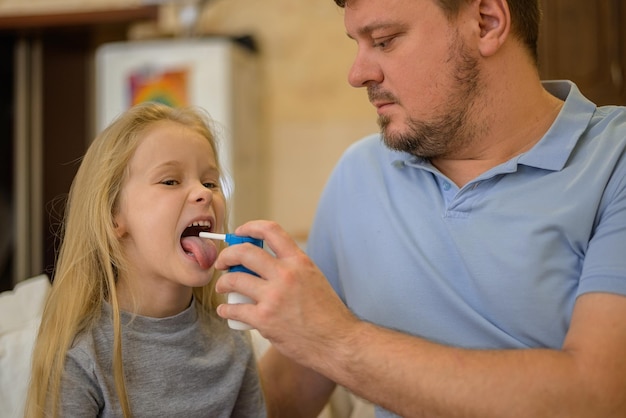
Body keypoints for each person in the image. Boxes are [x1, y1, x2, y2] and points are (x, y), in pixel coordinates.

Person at [213, 0, 626, 417]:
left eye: (385, 41)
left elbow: (598, 396)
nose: (358, 75)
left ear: (486, 23)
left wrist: (339, 341)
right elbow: (290, 388)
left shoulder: (615, 162)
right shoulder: (360, 173)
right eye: (357, 44)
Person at [24, 102, 267, 418]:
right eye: (170, 181)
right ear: (113, 216)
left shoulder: (233, 342)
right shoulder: (81, 355)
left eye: (210, 182)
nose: (204, 194)